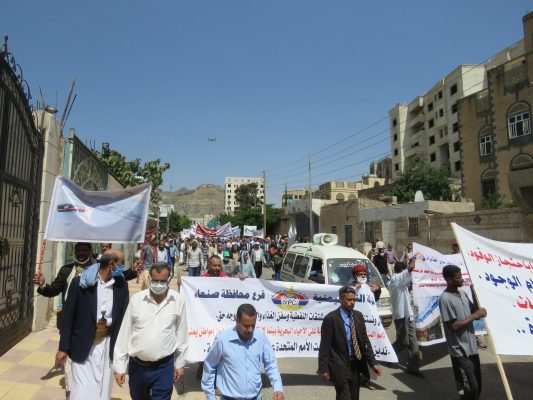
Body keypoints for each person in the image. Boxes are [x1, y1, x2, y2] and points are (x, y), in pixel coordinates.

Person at [56, 251, 129, 400]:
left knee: (103, 389)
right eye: (121, 263)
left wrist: (122, 357)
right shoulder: (80, 283)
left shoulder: (121, 285)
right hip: (83, 344)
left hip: (108, 345)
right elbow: (68, 317)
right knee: (81, 391)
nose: (123, 266)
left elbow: (124, 320)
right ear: (111, 264)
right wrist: (63, 348)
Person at [113, 262, 188, 400]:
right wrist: (120, 367)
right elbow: (125, 334)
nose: (159, 284)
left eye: (162, 281)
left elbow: (181, 333)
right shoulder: (137, 300)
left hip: (164, 367)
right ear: (149, 279)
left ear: (169, 279)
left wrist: (180, 364)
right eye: (155, 281)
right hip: (138, 367)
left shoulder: (178, 301)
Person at [201, 303, 284, 400]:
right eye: (246, 326)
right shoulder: (222, 340)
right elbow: (210, 366)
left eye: (253, 325)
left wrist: (278, 388)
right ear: (237, 320)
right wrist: (210, 396)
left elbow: (270, 364)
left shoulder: (260, 337)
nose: (250, 330)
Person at [318, 285, 382, 400]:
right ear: (341, 299)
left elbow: (365, 342)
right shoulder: (331, 319)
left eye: (354, 300)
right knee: (344, 396)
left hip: (356, 366)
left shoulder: (358, 316)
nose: (352, 302)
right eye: (349, 299)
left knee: (354, 397)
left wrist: (373, 364)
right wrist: (324, 369)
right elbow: (324, 346)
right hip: (339, 365)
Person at [439, 265, 487, 400]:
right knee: (470, 387)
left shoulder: (463, 294)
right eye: (458, 277)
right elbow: (453, 326)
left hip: (472, 349)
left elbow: (474, 311)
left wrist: (474, 293)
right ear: (449, 280)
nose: (462, 279)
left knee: (478, 386)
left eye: (461, 276)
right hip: (460, 351)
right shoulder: (445, 299)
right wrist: (475, 315)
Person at [350, 264, 381, 390]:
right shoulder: (350, 286)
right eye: (360, 274)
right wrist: (353, 288)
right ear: (355, 276)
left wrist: (378, 289)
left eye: (364, 274)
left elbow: (375, 300)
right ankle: (354, 378)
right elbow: (342, 295)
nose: (363, 276)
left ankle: (366, 379)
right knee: (355, 353)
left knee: (368, 352)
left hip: (368, 325)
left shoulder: (369, 287)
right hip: (354, 324)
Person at [389, 261, 423, 377]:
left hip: (409, 315)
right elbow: (411, 267)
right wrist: (414, 257)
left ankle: (413, 368)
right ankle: (388, 354)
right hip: (401, 315)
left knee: (413, 342)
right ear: (402, 270)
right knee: (403, 341)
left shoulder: (402, 281)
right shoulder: (395, 279)